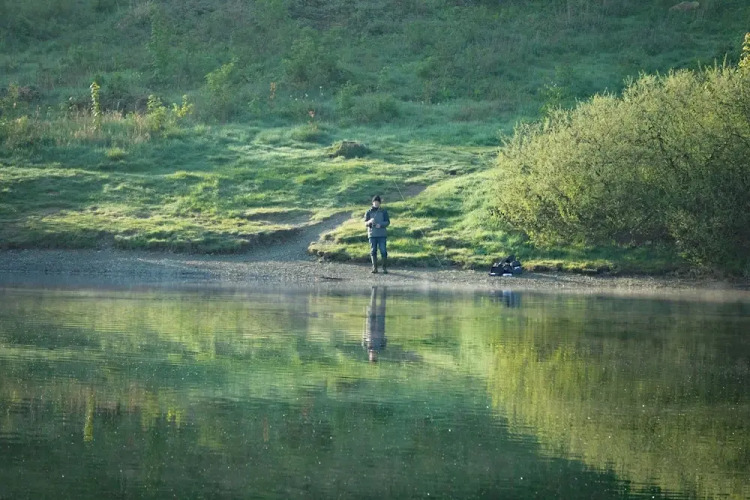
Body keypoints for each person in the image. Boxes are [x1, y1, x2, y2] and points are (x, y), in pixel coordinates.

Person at [364, 195, 390, 274]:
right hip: (372, 235)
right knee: (373, 251)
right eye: (375, 202)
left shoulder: (384, 211)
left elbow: (387, 222)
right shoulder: (368, 212)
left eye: (378, 202)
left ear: (380, 203)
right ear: (372, 202)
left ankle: (384, 268)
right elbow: (365, 223)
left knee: (383, 251)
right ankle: (374, 268)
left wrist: (380, 225)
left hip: (382, 235)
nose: (376, 203)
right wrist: (369, 221)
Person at [363, 286, 387, 362]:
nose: (373, 355)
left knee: (372, 307)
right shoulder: (381, 348)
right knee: (382, 307)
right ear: (376, 356)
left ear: (369, 356)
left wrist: (365, 326)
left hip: (370, 326)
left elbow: (364, 336)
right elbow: (385, 339)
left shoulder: (366, 347)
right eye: (374, 357)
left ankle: (374, 289)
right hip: (380, 327)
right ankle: (384, 290)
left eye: (372, 357)